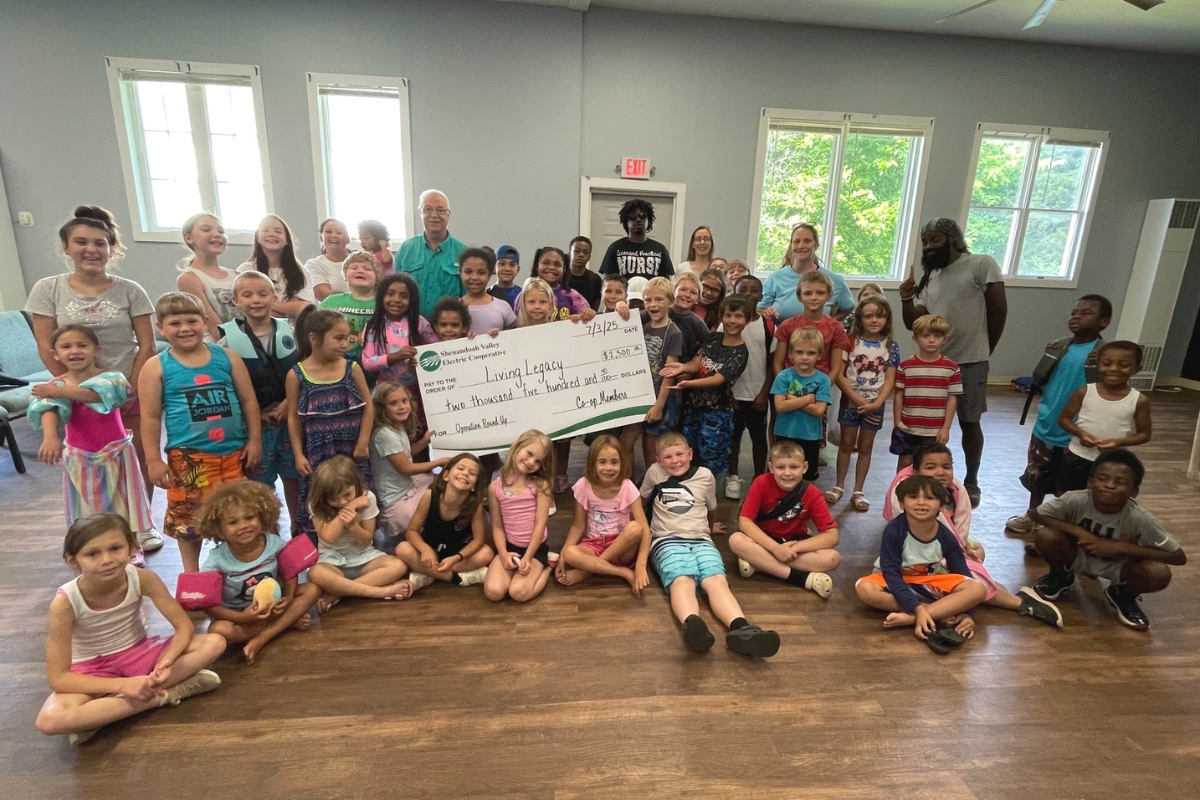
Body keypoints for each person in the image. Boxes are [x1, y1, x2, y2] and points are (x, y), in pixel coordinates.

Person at [27, 205, 160, 553]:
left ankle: (138, 528)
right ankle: (97, 531)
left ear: (110, 248)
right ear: (66, 247)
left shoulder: (130, 290)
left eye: (100, 243)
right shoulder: (48, 288)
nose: (91, 249)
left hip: (127, 386)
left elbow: (146, 344)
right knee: (87, 463)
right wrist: (67, 387)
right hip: (76, 391)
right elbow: (46, 344)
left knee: (134, 459)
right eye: (81, 242)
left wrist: (131, 390)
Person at [35, 514, 224, 746]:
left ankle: (102, 714)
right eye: (93, 554)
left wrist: (166, 661)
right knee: (50, 720)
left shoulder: (142, 578)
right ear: (72, 560)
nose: (107, 559)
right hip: (92, 669)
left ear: (131, 547)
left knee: (214, 642)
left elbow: (183, 626)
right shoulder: (64, 603)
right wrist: (122, 685)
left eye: (115, 548)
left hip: (139, 654)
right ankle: (166, 695)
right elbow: (58, 678)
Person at [139, 292, 262, 573]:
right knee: (188, 519)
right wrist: (153, 460)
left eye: (192, 321)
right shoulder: (156, 366)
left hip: (233, 453)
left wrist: (254, 440)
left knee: (236, 513)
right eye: (175, 323)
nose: (185, 328)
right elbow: (150, 417)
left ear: (205, 321)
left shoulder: (227, 357)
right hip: (189, 457)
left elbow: (248, 402)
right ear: (161, 327)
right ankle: (192, 574)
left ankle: (236, 568)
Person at [884, 444, 1063, 628]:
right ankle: (1013, 600)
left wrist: (964, 551)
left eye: (946, 467)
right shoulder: (908, 499)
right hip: (919, 559)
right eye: (930, 467)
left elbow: (955, 538)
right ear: (916, 472)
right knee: (870, 590)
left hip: (941, 552)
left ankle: (940, 607)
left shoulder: (953, 489)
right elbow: (923, 544)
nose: (940, 472)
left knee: (976, 552)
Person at [899, 217, 1007, 506]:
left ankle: (971, 480)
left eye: (936, 239)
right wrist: (906, 299)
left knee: (970, 421)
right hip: (933, 364)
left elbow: (998, 308)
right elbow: (914, 323)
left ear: (953, 239)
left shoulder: (980, 264)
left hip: (970, 360)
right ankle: (929, 477)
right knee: (931, 426)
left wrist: (986, 348)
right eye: (925, 241)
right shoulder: (930, 277)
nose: (929, 246)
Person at [640, 432, 780, 656]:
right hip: (666, 539)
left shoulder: (705, 475)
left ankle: (741, 628)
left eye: (679, 454)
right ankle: (692, 623)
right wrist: (641, 529)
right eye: (667, 457)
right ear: (658, 460)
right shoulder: (654, 473)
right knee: (682, 579)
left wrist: (710, 526)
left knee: (716, 580)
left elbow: (711, 507)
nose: (675, 461)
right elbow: (641, 501)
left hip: (702, 539)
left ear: (690, 454)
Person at [30, 326, 154, 566]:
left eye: (82, 345)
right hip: (81, 457)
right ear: (55, 354)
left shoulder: (112, 378)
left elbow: (96, 395)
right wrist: (50, 437)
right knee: (87, 507)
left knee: (123, 504)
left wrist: (57, 391)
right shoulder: (55, 385)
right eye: (66, 347)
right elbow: (48, 408)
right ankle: (90, 549)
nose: (74, 351)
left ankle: (130, 546)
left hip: (116, 453)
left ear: (96, 350)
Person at [1031, 449, 1185, 631]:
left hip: (1119, 566)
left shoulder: (1140, 518)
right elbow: (1036, 514)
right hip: (1077, 555)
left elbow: (1178, 557)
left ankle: (1122, 594)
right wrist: (1079, 532)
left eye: (1120, 482)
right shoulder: (1075, 500)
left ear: (1134, 491)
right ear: (1090, 482)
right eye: (1102, 478)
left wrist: (1121, 547)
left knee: (1158, 573)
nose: (1109, 485)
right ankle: (1060, 575)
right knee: (1045, 535)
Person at [1007, 295, 1111, 535]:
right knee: (1037, 475)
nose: (1076, 317)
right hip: (1048, 423)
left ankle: (1060, 525)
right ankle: (1033, 515)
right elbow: (1039, 379)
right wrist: (1048, 356)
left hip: (1078, 430)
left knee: (1068, 483)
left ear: (1104, 321)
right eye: (1074, 312)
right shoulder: (1061, 346)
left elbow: (1108, 389)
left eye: (1086, 313)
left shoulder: (1103, 354)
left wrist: (1102, 366)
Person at [855, 475, 987, 653]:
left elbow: (962, 572)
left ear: (942, 506)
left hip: (927, 584)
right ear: (901, 503)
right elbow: (891, 572)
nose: (921, 502)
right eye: (913, 497)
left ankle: (914, 617)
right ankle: (934, 612)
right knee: (864, 588)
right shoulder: (894, 530)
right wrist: (917, 608)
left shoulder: (946, 535)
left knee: (977, 588)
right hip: (894, 582)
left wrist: (967, 614)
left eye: (930, 498)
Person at [197, 481, 321, 663]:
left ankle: (263, 637)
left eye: (249, 517)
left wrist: (288, 596)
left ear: (262, 518)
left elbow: (290, 571)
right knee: (218, 630)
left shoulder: (274, 543)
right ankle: (283, 624)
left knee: (312, 589)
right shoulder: (216, 560)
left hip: (274, 605)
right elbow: (210, 605)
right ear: (219, 531)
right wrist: (242, 617)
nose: (243, 526)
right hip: (239, 613)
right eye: (233, 522)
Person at [220, 271, 302, 532]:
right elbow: (228, 389)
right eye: (247, 295)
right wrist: (254, 418)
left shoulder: (291, 333)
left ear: (273, 297)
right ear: (236, 300)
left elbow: (304, 372)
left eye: (262, 294)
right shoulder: (226, 342)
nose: (256, 300)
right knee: (259, 484)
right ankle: (269, 533)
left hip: (290, 422)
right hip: (255, 428)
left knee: (295, 477)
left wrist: (289, 402)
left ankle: (298, 528)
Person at [286, 308, 374, 539]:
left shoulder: (352, 368)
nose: (345, 344)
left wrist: (363, 442)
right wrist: (298, 454)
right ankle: (324, 544)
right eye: (338, 338)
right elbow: (293, 417)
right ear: (314, 338)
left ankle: (360, 542)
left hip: (352, 449)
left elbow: (368, 407)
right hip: (317, 452)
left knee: (355, 494)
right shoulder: (296, 375)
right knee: (323, 498)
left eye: (347, 338)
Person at [729, 441, 839, 596]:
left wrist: (793, 549)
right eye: (781, 467)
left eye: (794, 467)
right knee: (736, 540)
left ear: (805, 467)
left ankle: (761, 563)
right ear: (771, 467)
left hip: (793, 543)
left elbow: (832, 536)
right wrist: (776, 549)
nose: (787, 473)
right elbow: (744, 521)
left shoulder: (813, 493)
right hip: (765, 540)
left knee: (833, 558)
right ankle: (801, 578)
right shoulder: (761, 482)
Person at [307, 455, 411, 612]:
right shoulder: (315, 503)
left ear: (355, 484)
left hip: (364, 557)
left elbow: (365, 541)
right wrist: (351, 507)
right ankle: (380, 592)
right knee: (315, 573)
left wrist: (353, 525)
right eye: (334, 499)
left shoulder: (368, 497)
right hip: (331, 560)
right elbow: (328, 537)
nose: (343, 502)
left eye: (347, 494)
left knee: (398, 565)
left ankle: (338, 593)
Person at [664, 296, 751, 479]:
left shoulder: (740, 352)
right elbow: (697, 362)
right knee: (688, 452)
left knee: (712, 458)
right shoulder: (713, 338)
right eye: (728, 315)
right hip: (693, 408)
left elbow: (717, 379)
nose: (732, 321)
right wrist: (682, 367)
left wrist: (688, 384)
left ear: (747, 320)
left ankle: (711, 493)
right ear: (721, 317)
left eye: (738, 316)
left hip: (716, 413)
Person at [829, 293, 899, 512]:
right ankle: (839, 485)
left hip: (875, 405)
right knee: (846, 444)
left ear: (887, 319)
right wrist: (856, 398)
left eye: (879, 316)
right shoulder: (849, 342)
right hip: (850, 402)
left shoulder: (891, 346)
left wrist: (877, 403)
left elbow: (890, 379)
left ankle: (858, 490)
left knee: (866, 447)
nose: (874, 320)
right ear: (860, 319)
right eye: (869, 316)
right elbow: (839, 374)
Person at [556, 435, 650, 593]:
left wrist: (641, 566)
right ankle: (621, 572)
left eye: (614, 462)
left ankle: (589, 569)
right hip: (594, 544)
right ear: (593, 463)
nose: (609, 468)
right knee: (569, 553)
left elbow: (645, 529)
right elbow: (578, 526)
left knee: (635, 528)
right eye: (602, 462)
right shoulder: (583, 485)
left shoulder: (628, 487)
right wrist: (562, 556)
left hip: (622, 546)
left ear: (622, 463)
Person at [1056, 341, 1152, 495]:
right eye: (1107, 363)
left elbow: (1144, 434)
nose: (1114, 369)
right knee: (1066, 496)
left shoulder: (1139, 400)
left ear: (1137, 369)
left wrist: (1119, 442)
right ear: (1098, 365)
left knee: (1102, 497)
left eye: (1124, 365)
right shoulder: (1084, 391)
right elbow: (1064, 419)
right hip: (1078, 456)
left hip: (1112, 464)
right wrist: (1081, 433)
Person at [397, 453, 493, 592]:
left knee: (487, 553)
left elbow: (478, 540)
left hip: (457, 554)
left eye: (472, 473)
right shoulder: (430, 495)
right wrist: (424, 549)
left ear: (474, 486)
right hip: (431, 551)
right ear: (446, 475)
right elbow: (411, 531)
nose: (465, 473)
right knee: (402, 549)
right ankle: (453, 577)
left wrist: (457, 558)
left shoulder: (475, 505)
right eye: (460, 468)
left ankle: (428, 574)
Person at [361, 273, 437, 445]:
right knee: (391, 440)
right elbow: (367, 362)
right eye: (390, 294)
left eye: (404, 296)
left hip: (415, 396)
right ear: (381, 296)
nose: (396, 299)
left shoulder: (419, 323)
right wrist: (396, 357)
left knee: (418, 438)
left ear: (412, 300)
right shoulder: (374, 326)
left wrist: (420, 361)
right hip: (386, 397)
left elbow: (438, 349)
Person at [371, 382, 447, 553]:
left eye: (404, 401)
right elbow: (405, 468)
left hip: (406, 486)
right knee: (438, 497)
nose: (402, 407)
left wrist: (424, 441)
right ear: (382, 408)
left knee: (441, 485)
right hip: (395, 499)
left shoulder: (395, 427)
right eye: (394, 403)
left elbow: (404, 454)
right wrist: (438, 462)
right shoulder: (384, 435)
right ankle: (422, 540)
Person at [619, 277, 682, 473]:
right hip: (637, 395)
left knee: (651, 445)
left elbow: (669, 373)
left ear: (671, 301)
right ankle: (626, 483)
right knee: (625, 442)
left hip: (659, 398)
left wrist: (659, 406)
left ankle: (652, 483)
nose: (653, 305)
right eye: (648, 300)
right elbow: (620, 313)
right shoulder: (642, 326)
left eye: (659, 299)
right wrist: (621, 304)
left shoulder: (674, 333)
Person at [484, 430, 554, 603]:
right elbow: (497, 526)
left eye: (538, 461)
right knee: (493, 592)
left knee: (518, 593)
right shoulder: (494, 488)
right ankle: (513, 568)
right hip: (509, 546)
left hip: (534, 549)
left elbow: (540, 525)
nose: (531, 462)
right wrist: (503, 553)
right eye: (529, 454)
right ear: (516, 447)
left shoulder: (540, 485)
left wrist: (528, 557)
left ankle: (547, 567)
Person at [890, 314, 961, 471]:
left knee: (930, 465)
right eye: (926, 336)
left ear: (945, 339)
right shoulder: (905, 366)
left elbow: (952, 399)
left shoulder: (952, 368)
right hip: (908, 428)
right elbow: (899, 395)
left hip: (934, 430)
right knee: (905, 463)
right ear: (915, 338)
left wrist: (946, 428)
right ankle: (901, 487)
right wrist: (897, 423)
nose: (931, 340)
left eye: (937, 336)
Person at [725, 275, 774, 499]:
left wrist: (764, 393)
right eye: (742, 289)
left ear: (761, 295)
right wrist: (728, 393)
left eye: (753, 290)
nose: (748, 294)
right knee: (733, 438)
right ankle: (732, 477)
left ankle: (759, 479)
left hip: (757, 395)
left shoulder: (767, 325)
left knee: (758, 438)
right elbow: (719, 362)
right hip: (734, 395)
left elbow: (772, 363)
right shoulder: (727, 323)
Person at [758, 223, 853, 322]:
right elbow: (759, 310)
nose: (801, 246)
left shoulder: (833, 280)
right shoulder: (775, 278)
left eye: (807, 241)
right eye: (796, 241)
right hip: (782, 332)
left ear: (816, 245)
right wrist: (767, 313)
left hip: (820, 332)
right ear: (791, 246)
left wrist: (831, 323)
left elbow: (848, 306)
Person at [771, 271, 851, 387]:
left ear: (829, 296)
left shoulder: (836, 328)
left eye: (820, 293)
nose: (814, 297)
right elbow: (778, 364)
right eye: (808, 293)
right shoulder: (787, 325)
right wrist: (789, 388)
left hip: (820, 389)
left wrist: (820, 391)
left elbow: (835, 369)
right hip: (790, 388)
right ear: (799, 296)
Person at [771, 327, 830, 481]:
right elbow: (779, 406)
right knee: (783, 474)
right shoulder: (783, 376)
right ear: (791, 353)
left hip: (810, 436)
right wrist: (808, 399)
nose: (804, 357)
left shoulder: (823, 380)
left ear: (819, 355)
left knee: (807, 477)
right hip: (785, 434)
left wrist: (791, 398)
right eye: (799, 352)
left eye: (811, 353)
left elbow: (819, 410)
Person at [396, 190, 467, 316]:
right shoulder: (406, 250)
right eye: (427, 209)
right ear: (420, 212)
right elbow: (396, 292)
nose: (434, 215)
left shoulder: (463, 253)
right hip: (411, 325)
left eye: (440, 210)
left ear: (448, 214)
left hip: (448, 326)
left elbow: (468, 299)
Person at [236, 214, 315, 319]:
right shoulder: (245, 270)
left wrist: (265, 305)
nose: (272, 234)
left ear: (287, 240)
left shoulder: (301, 272)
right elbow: (242, 306)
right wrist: (289, 306)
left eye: (278, 231)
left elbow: (307, 307)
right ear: (258, 238)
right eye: (265, 230)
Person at [176, 213, 238, 341]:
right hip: (216, 345)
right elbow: (213, 326)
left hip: (246, 341)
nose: (217, 234)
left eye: (221, 231)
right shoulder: (189, 278)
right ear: (189, 238)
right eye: (206, 229)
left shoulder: (237, 276)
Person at [318, 252, 381, 364]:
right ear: (345, 276)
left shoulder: (384, 303)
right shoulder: (331, 302)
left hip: (377, 365)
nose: (360, 271)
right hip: (338, 365)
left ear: (377, 276)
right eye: (354, 268)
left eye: (367, 268)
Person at [598, 199, 674, 280]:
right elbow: (608, 282)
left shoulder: (660, 250)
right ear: (626, 221)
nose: (638, 220)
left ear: (648, 220)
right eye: (633, 216)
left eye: (642, 216)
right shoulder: (615, 248)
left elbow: (666, 283)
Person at [459, 247, 516, 336]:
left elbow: (515, 336)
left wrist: (501, 336)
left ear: (489, 275)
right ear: (461, 274)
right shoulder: (454, 309)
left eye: (481, 273)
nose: (474, 277)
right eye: (468, 272)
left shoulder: (503, 306)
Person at [534, 246, 596, 323]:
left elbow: (587, 318)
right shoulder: (526, 294)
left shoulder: (572, 296)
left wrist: (589, 313)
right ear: (537, 266)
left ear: (564, 269)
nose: (551, 267)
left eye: (557, 264)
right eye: (546, 263)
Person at [670, 272, 712, 362]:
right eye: (683, 289)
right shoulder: (660, 313)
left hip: (681, 367)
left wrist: (691, 365)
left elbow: (711, 346)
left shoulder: (697, 323)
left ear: (697, 299)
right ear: (673, 291)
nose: (687, 295)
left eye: (693, 292)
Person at [305, 218, 351, 301]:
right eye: (328, 232)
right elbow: (322, 294)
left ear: (347, 239)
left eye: (339, 232)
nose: (334, 235)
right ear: (321, 238)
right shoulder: (314, 264)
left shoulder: (361, 260)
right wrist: (359, 299)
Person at [566, 235, 602, 310]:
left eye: (585, 252)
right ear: (569, 254)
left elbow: (594, 309)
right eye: (577, 251)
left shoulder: (595, 280)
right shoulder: (561, 277)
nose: (581, 255)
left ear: (589, 257)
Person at [489, 244, 522, 310]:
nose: (507, 269)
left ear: (518, 269)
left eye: (512, 265)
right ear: (494, 267)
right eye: (502, 264)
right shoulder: (488, 294)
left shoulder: (523, 295)